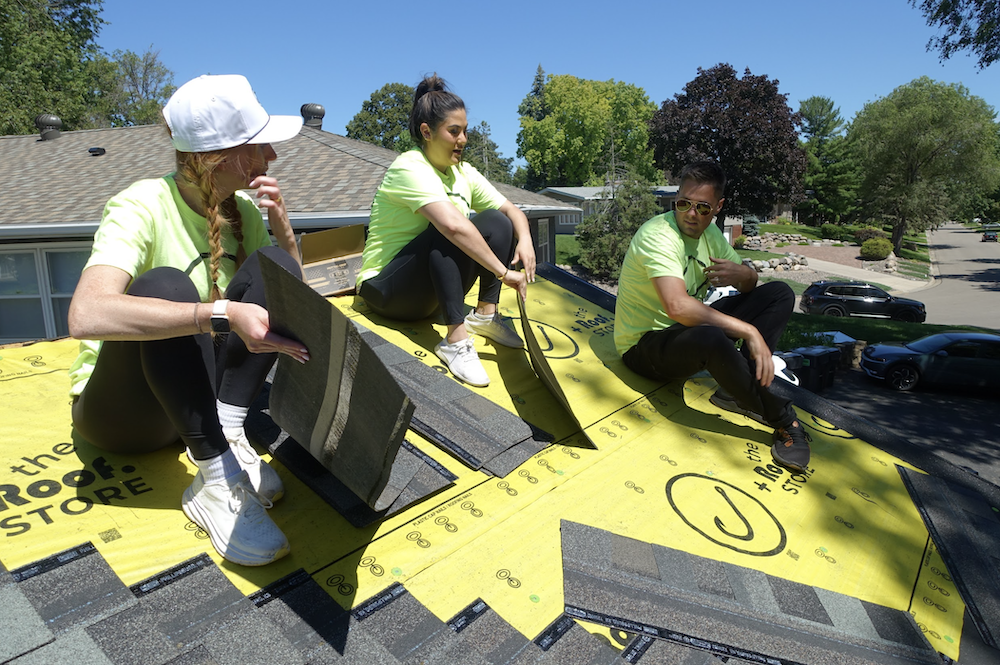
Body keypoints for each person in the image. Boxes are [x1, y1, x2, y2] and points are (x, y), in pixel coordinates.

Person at [67, 74, 311, 566]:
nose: (273, 158)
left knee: (277, 269)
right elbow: (86, 313)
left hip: (192, 400)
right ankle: (217, 481)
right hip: (125, 419)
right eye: (260, 145)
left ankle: (227, 428)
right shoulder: (140, 204)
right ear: (220, 157)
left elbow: (291, 294)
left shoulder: (242, 207)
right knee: (165, 286)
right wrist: (218, 312)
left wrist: (284, 231)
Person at [614, 161, 811, 472]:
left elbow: (750, 285)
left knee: (780, 294)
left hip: (682, 332)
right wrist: (749, 331)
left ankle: (740, 390)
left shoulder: (711, 237)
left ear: (718, 207)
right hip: (644, 348)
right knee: (710, 336)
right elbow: (678, 307)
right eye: (683, 203)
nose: (691, 214)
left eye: (702, 208)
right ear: (675, 199)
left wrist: (744, 273)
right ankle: (785, 420)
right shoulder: (658, 236)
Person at [357, 74, 535, 387]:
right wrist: (504, 273)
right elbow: (452, 226)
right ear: (427, 131)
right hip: (386, 292)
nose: (463, 139)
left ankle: (484, 315)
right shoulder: (409, 166)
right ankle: (455, 340)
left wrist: (527, 241)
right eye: (454, 131)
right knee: (449, 228)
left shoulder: (462, 172)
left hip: (427, 299)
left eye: (465, 131)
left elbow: (511, 211)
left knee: (497, 221)